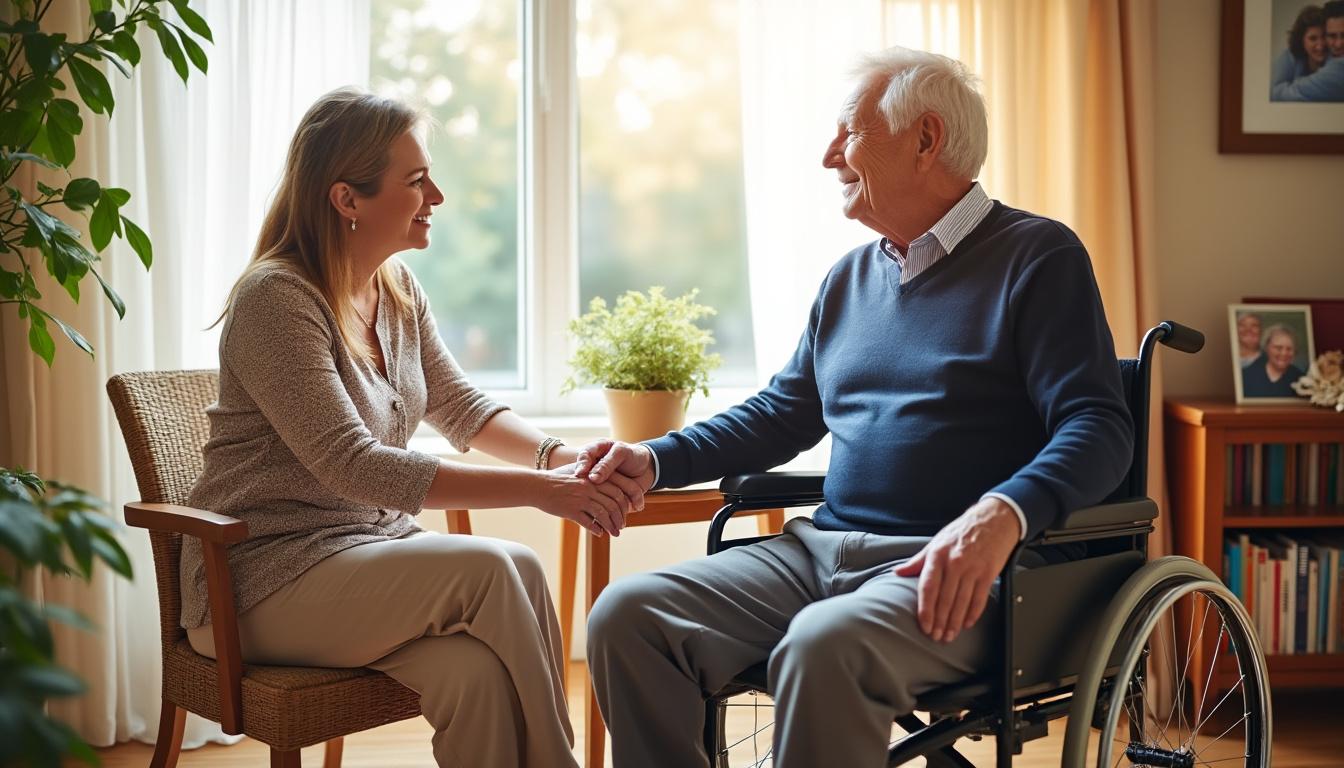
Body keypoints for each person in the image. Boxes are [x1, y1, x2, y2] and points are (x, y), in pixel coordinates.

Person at [579, 47, 1133, 767]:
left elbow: (1099, 425)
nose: (827, 156)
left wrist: (1004, 513)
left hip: (955, 568)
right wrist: (656, 458)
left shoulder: (1038, 257)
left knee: (825, 644)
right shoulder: (849, 278)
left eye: (849, 132)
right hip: (820, 554)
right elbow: (783, 412)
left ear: (926, 140)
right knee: (628, 616)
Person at [184, 88, 645, 768]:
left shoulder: (394, 288)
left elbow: (459, 406)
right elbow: (356, 464)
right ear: (348, 199)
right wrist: (540, 490)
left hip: (360, 556)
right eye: (416, 180)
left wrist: (566, 457)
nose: (438, 195)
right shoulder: (276, 300)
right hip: (260, 581)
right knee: (494, 565)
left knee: (477, 674)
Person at [1271, 3, 1344, 101]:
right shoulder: (1289, 56)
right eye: (1313, 38)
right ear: (1301, 40)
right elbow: (1271, 94)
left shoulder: (1338, 63)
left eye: (1324, 36)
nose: (1320, 45)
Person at [1242, 324, 1307, 397]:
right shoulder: (1246, 376)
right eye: (1278, 348)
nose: (1284, 353)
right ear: (1266, 348)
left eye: (1289, 349)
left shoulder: (1302, 380)